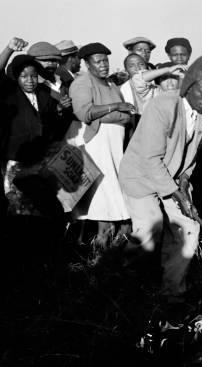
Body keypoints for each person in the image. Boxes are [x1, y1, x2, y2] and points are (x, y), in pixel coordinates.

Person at [119, 56, 202, 300]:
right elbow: (151, 159)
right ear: (188, 87)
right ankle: (121, 280)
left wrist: (184, 183)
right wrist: (175, 193)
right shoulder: (162, 106)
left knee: (188, 227)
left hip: (171, 179)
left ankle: (172, 291)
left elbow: (190, 159)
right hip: (140, 176)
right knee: (150, 229)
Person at [0, 39, 67, 266]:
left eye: (32, 75)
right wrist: (9, 49)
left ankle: (39, 259)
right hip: (16, 162)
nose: (29, 80)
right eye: (24, 76)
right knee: (19, 213)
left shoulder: (44, 97)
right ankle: (20, 261)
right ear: (16, 78)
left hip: (39, 163)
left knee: (39, 213)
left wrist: (61, 110)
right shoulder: (8, 93)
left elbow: (52, 128)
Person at [66, 43, 136, 247]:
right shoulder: (82, 82)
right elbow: (83, 112)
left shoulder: (111, 84)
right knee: (102, 193)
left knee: (113, 192)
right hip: (97, 144)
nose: (103, 65)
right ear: (87, 64)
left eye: (105, 60)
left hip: (114, 145)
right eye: (98, 62)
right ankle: (98, 243)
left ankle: (109, 242)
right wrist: (116, 106)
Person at [27, 41, 72, 113]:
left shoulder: (62, 81)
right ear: (34, 62)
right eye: (45, 60)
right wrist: (58, 107)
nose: (50, 63)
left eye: (53, 60)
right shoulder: (31, 86)